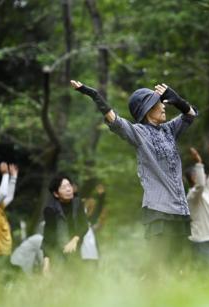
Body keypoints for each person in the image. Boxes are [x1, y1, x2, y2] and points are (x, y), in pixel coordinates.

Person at [70, 80, 198, 265]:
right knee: (160, 265)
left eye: (163, 102)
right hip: (158, 211)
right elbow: (115, 121)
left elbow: (190, 115)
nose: (163, 106)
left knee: (181, 266)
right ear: (147, 110)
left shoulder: (169, 130)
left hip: (180, 209)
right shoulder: (138, 133)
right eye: (158, 103)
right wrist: (94, 95)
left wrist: (177, 100)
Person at [41, 174, 88, 272]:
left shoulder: (77, 203)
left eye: (69, 185)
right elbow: (48, 237)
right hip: (58, 252)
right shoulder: (50, 210)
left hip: (75, 250)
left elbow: (84, 225)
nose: (68, 189)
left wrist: (75, 239)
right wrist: (46, 263)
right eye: (63, 187)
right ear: (56, 194)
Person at [185, 143, 209, 268]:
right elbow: (200, 186)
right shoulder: (192, 197)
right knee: (204, 278)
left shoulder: (206, 192)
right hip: (202, 242)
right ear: (195, 178)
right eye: (201, 173)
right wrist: (199, 162)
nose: (205, 175)